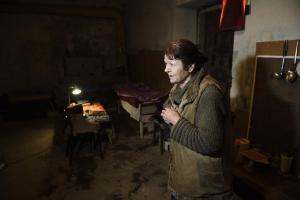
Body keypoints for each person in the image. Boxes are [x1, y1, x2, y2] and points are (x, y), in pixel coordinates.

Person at [161, 39, 238, 200]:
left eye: (171, 64)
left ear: (190, 67)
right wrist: (170, 112)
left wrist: (176, 120)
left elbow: (209, 143)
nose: (166, 69)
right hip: (182, 180)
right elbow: (174, 102)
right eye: (165, 63)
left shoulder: (209, 93)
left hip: (201, 189)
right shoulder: (179, 84)